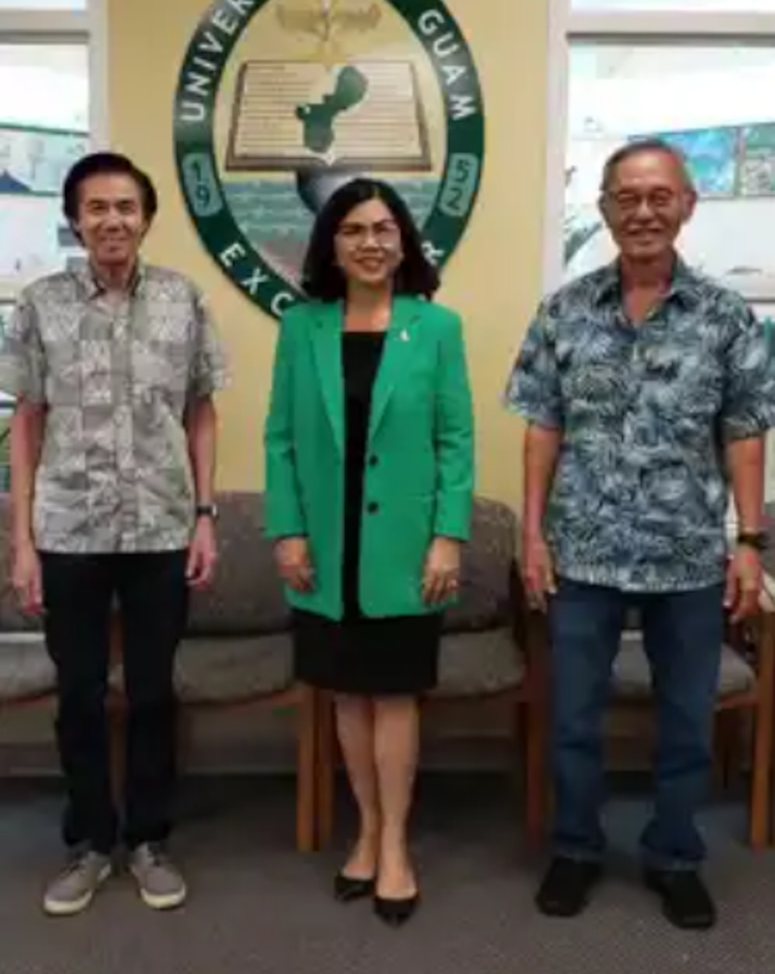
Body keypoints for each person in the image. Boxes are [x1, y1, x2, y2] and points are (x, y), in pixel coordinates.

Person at [505, 138, 775, 931]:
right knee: (574, 716)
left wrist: (748, 543)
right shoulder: (563, 310)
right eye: (626, 197)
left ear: (687, 205)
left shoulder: (726, 318)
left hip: (688, 552)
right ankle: (577, 848)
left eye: (659, 195)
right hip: (582, 551)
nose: (643, 210)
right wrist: (531, 533)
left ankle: (674, 855)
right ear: (603, 211)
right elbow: (540, 427)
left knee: (686, 718)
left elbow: (745, 434)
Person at [0, 152, 227, 915]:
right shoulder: (38, 305)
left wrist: (204, 516)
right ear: (74, 219)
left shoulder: (182, 300)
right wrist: (23, 540)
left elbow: (200, 410)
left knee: (156, 691)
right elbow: (26, 422)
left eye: (125, 207)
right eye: (95, 208)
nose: (112, 221)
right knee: (81, 694)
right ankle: (91, 842)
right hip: (69, 531)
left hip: (162, 526)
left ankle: (149, 839)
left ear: (147, 217)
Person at [265, 178, 474, 926]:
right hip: (325, 547)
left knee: (393, 692)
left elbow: (455, 440)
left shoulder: (437, 327)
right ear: (332, 244)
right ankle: (365, 827)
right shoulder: (301, 326)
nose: (371, 242)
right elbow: (280, 437)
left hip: (405, 548)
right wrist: (286, 530)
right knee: (347, 694)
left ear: (405, 240)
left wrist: (448, 534)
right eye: (353, 229)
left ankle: (396, 845)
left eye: (384, 228)